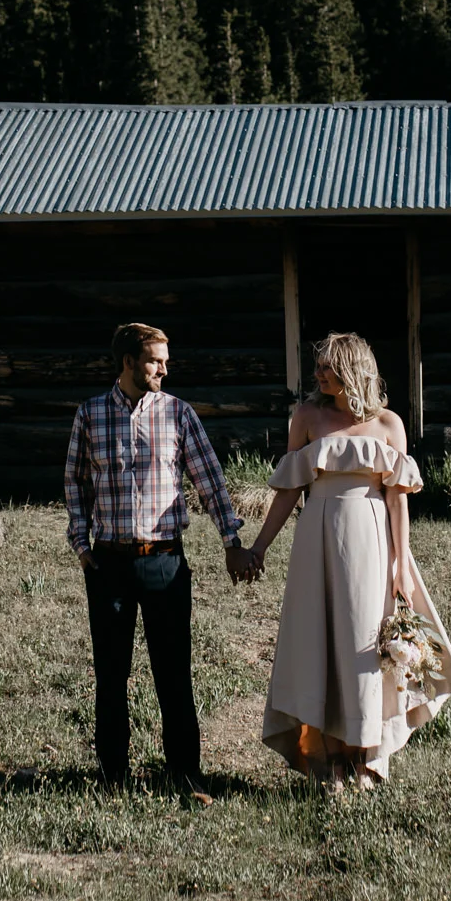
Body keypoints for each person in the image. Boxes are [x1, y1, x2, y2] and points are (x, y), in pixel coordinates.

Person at [243, 331, 451, 787]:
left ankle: (367, 756)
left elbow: (397, 499)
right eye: (318, 365)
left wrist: (401, 562)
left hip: (371, 538)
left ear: (351, 369)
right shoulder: (306, 416)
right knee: (318, 639)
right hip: (316, 538)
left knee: (364, 642)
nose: (318, 373)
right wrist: (260, 546)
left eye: (327, 366)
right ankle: (324, 761)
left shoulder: (388, 424)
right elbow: (289, 490)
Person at [64, 321, 260, 789]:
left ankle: (184, 776)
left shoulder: (178, 414)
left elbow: (208, 480)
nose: (163, 370)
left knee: (174, 673)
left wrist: (231, 541)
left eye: (166, 361)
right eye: (155, 361)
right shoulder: (90, 415)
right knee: (111, 676)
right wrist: (82, 546)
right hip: (108, 564)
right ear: (129, 361)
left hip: (165, 563)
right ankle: (113, 777)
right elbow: (75, 482)